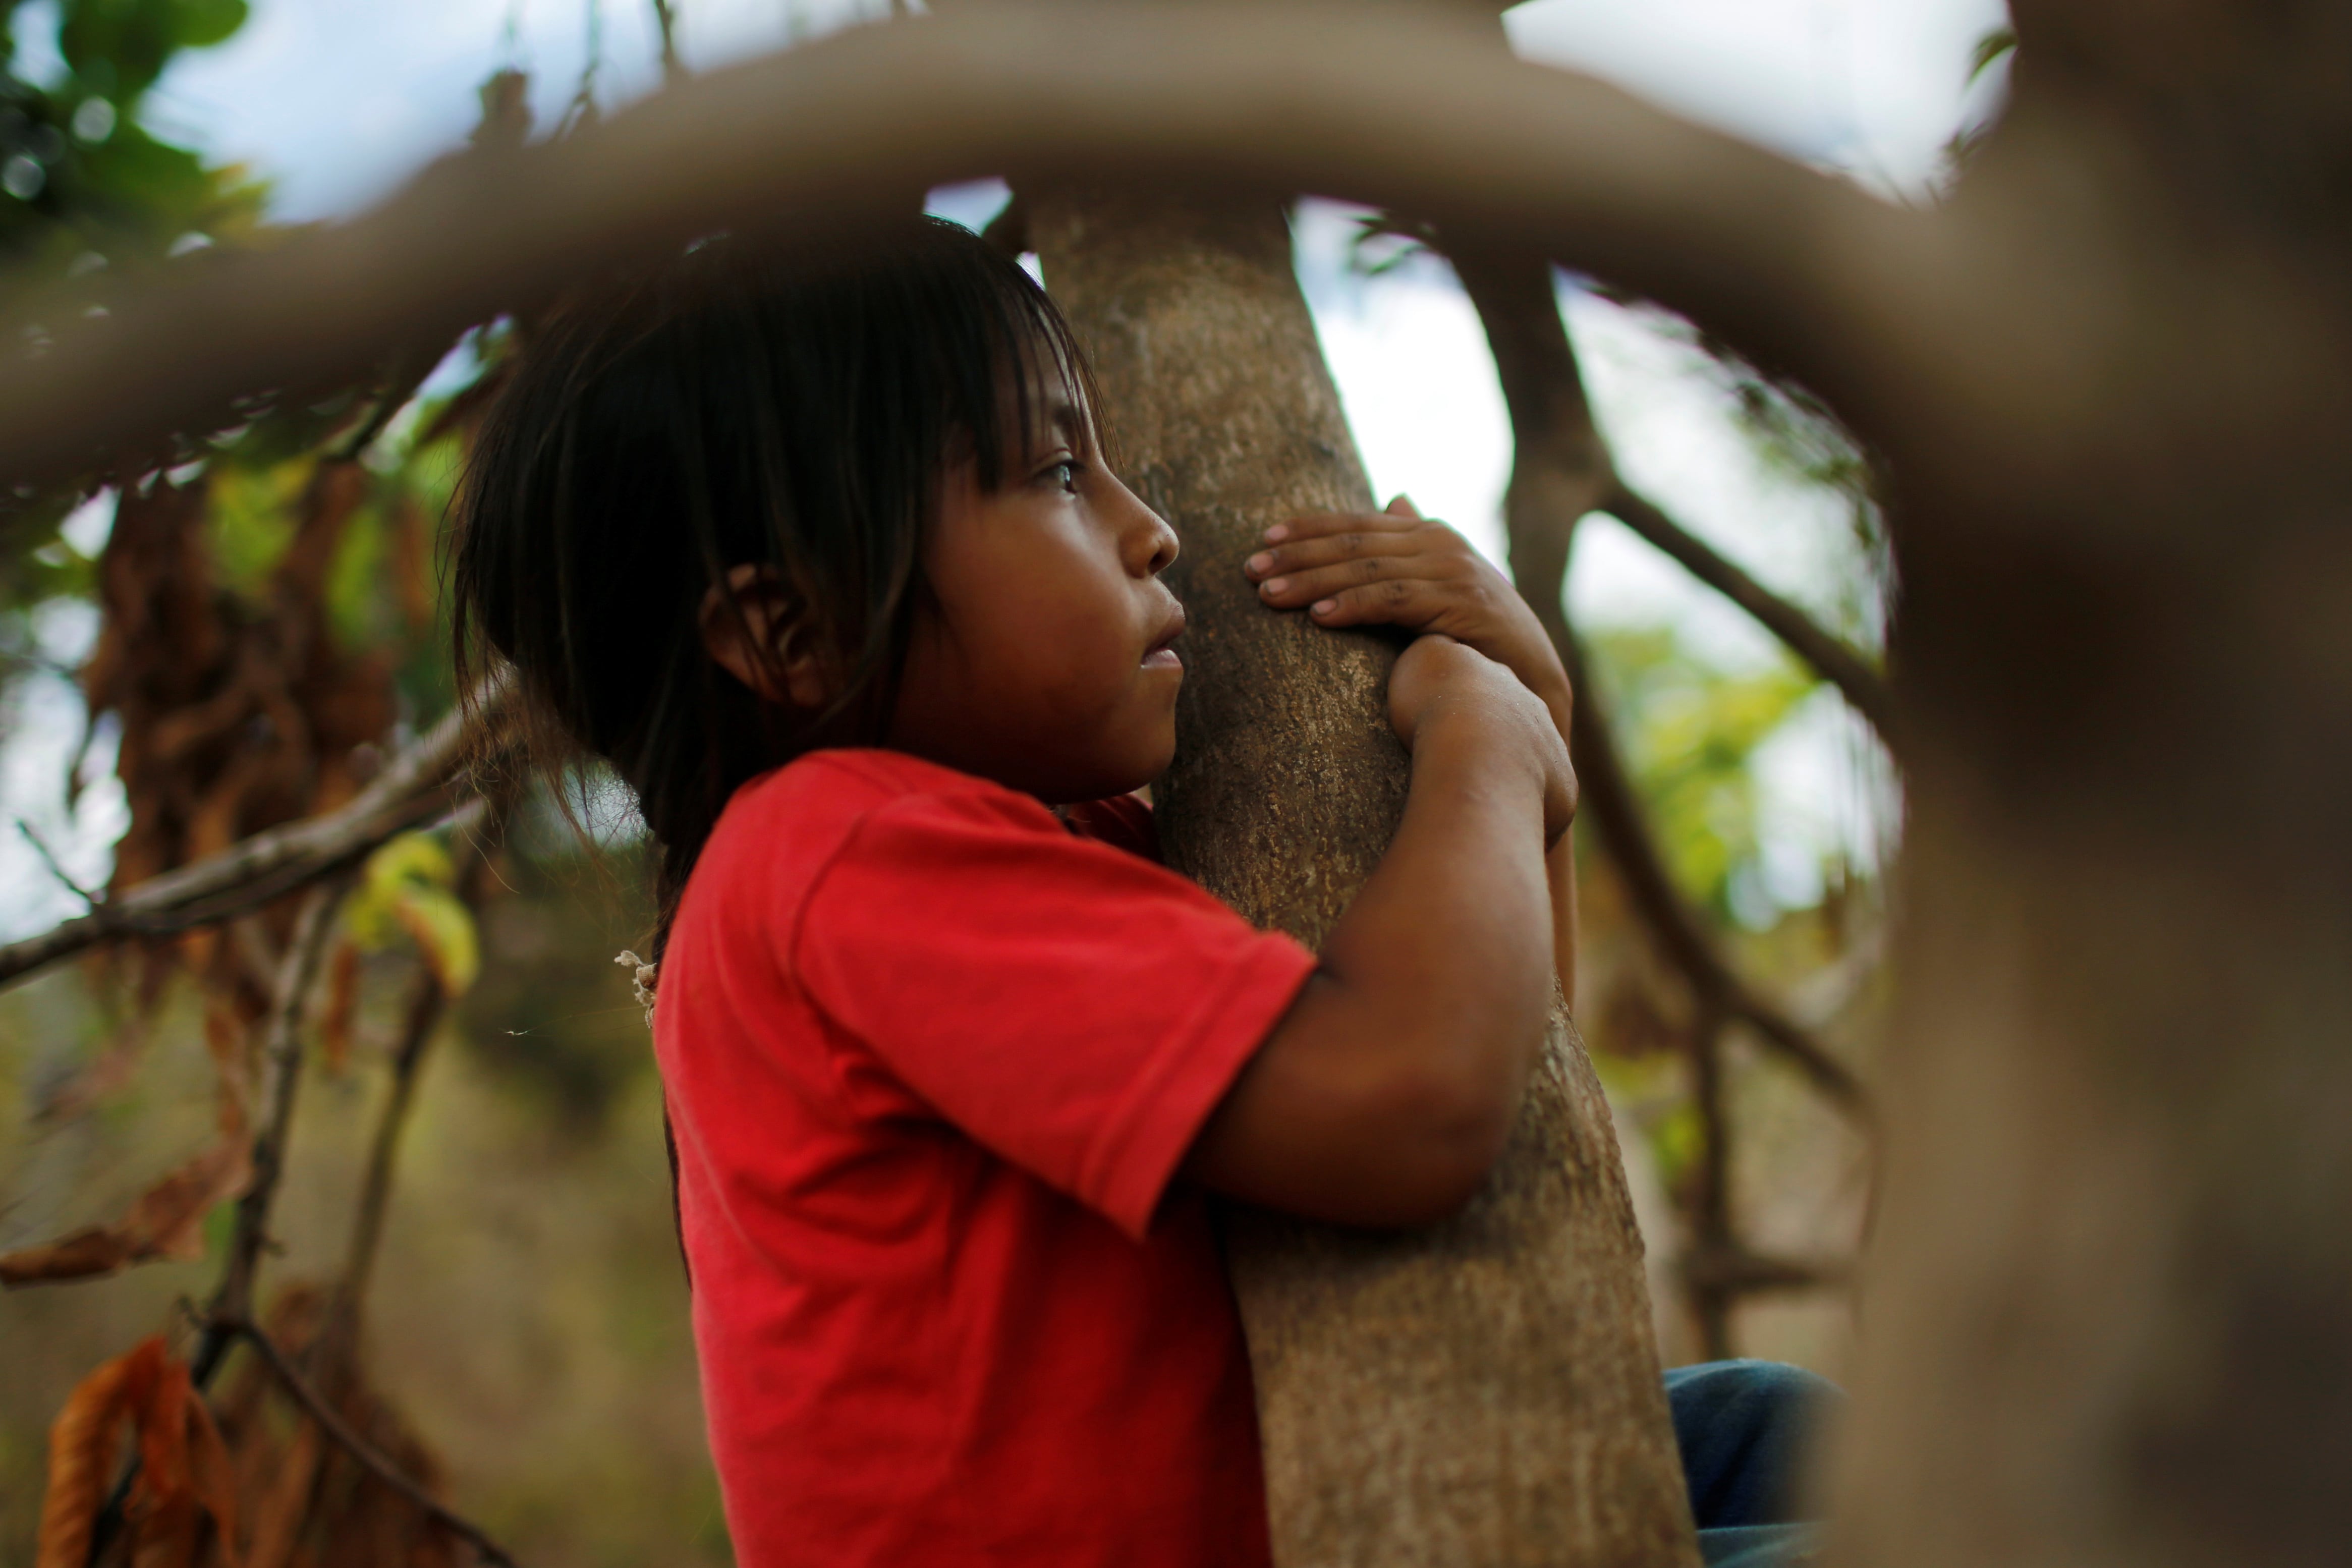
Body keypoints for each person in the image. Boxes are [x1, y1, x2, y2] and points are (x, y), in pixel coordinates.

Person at [447, 213, 1826, 1567]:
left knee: (1769, 1427)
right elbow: (1413, 1102)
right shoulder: (831, 851)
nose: (1151, 529)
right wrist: (1486, 745)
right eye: (1055, 474)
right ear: (789, 629)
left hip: (1289, 1485)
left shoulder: (1057, 839)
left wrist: (1532, 715)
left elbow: (1513, 1076)